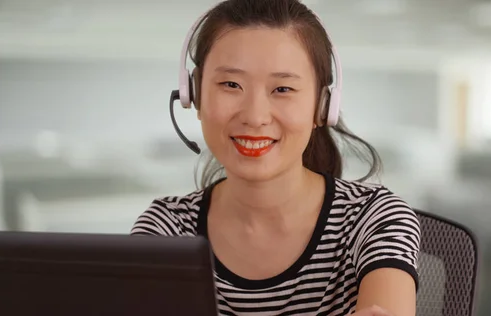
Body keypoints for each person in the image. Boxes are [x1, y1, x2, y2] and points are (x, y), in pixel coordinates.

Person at [131, 0, 420, 315]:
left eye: (282, 89)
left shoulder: (374, 218)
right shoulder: (167, 230)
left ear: (323, 107)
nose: (255, 117)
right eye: (231, 84)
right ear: (194, 95)